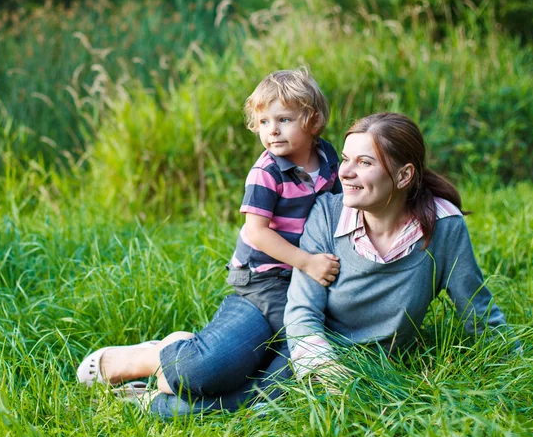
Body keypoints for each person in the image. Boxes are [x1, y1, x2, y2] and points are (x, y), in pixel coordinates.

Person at [76, 68, 342, 410]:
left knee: (275, 392)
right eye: (264, 122)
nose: (272, 130)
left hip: (305, 282)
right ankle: (159, 357)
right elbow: (257, 233)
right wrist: (307, 261)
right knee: (210, 369)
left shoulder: (329, 159)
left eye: (285, 119)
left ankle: (156, 403)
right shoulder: (267, 173)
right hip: (264, 282)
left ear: (314, 121)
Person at [284, 113, 510, 379]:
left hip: (387, 374)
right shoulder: (325, 215)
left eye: (364, 162)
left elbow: (477, 311)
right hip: (314, 357)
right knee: (227, 380)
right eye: (345, 159)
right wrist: (331, 376)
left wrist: (515, 371)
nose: (344, 172)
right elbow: (302, 313)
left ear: (404, 176)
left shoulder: (443, 226)